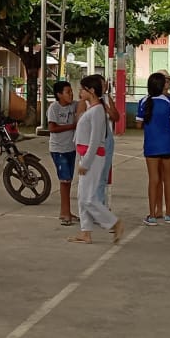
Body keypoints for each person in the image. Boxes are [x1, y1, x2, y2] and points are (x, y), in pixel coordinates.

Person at [68, 75, 124, 245]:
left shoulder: (98, 110)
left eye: (83, 89)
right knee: (82, 196)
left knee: (89, 198)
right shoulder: (92, 109)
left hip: (92, 157)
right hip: (86, 155)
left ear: (91, 91)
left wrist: (85, 163)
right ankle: (85, 232)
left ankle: (113, 222)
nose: (80, 92)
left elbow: (95, 140)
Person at [136, 71, 170, 225]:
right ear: (163, 85)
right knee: (168, 178)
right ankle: (168, 213)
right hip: (167, 144)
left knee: (153, 179)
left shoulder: (143, 101)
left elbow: (139, 124)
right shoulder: (169, 101)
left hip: (151, 145)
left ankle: (152, 215)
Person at [46, 80, 79, 226]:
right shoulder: (54, 108)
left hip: (70, 148)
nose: (71, 94)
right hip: (58, 149)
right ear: (59, 94)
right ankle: (65, 213)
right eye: (67, 92)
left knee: (68, 181)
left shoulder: (74, 105)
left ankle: (65, 211)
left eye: (71, 91)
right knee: (64, 181)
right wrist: (72, 126)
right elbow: (52, 128)